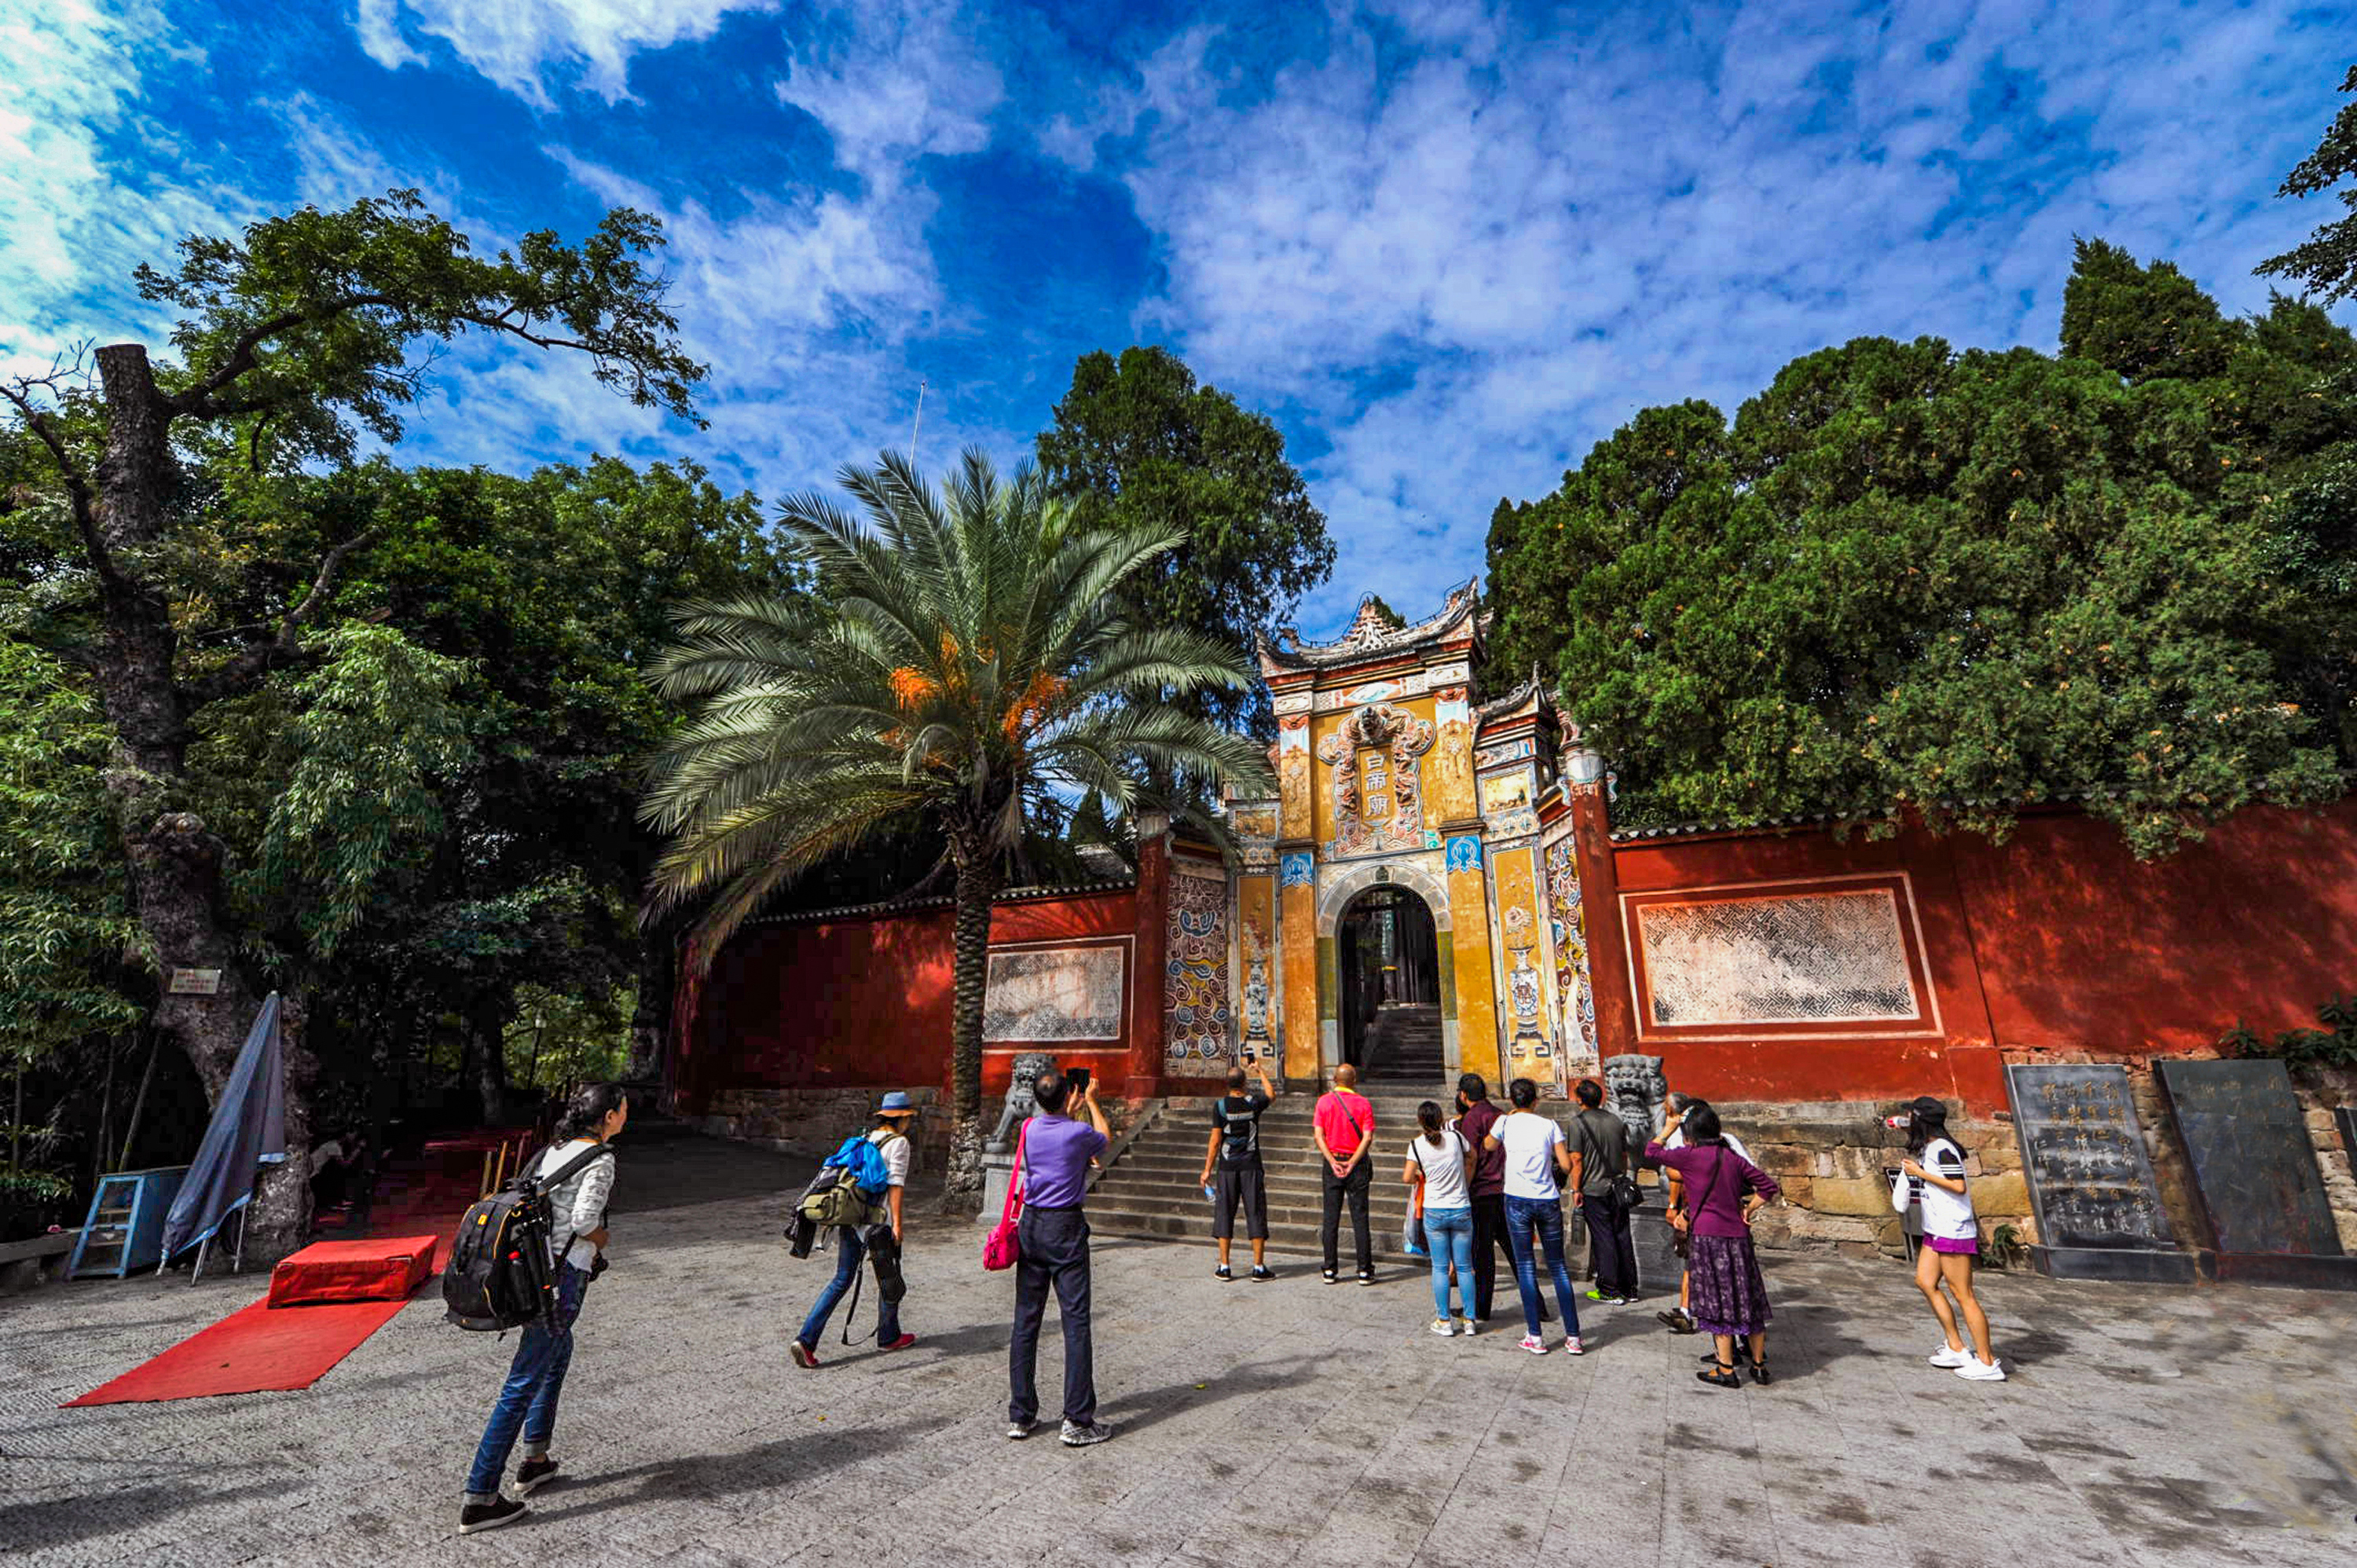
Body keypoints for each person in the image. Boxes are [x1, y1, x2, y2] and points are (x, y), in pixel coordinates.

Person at [459, 1083, 625, 1535]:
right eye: (623, 1108)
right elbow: (584, 1221)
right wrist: (603, 1240)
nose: (626, 1115)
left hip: (534, 1271)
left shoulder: (556, 1148)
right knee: (523, 1379)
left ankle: (535, 1458)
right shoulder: (601, 1158)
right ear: (609, 1116)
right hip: (563, 1276)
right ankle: (480, 1496)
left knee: (559, 1351)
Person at [1007, 1065, 1114, 1446]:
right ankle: (1078, 1419)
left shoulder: (1029, 1129)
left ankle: (1021, 1415)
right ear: (1068, 1093)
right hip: (1065, 1227)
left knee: (1026, 1322)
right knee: (1075, 1322)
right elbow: (1104, 1137)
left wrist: (1068, 1102)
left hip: (1031, 1227)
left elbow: (1057, 1128)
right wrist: (1092, 1101)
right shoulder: (1079, 1132)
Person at [1647, 1101, 1778, 1388]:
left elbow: (1651, 1152)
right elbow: (1768, 1187)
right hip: (1739, 1240)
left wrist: (1668, 1129)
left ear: (1690, 1133)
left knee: (1717, 1302)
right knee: (1748, 1300)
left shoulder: (1689, 1156)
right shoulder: (1733, 1159)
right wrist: (1748, 1210)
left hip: (1708, 1239)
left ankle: (1726, 1369)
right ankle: (1758, 1366)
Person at [790, 1090, 921, 1367]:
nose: (909, 1123)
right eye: (908, 1118)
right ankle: (888, 1337)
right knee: (889, 1278)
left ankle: (806, 1340)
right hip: (878, 1224)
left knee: (841, 1280)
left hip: (850, 1218)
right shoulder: (899, 1144)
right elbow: (895, 1186)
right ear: (902, 1119)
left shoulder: (866, 1137)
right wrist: (897, 1223)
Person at [1898, 1096, 2004, 1382]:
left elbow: (1958, 1185)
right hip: (1936, 1226)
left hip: (1953, 1228)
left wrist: (1920, 1173)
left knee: (1963, 1294)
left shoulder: (1944, 1150)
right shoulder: (1929, 1146)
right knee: (1925, 1281)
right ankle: (1956, 1346)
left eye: (1910, 1115)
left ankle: (1987, 1361)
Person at [1480, 1077, 1584, 1355]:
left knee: (1526, 1267)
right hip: (1547, 1199)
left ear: (1513, 1101)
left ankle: (1535, 1336)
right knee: (1558, 1267)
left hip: (1516, 1198)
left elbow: (1488, 1145)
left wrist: (1506, 1120)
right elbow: (1565, 1163)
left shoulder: (1505, 1122)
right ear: (1536, 1100)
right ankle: (1573, 1337)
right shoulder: (1549, 1125)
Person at [1655, 1093, 1755, 1335]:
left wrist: (1674, 1206)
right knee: (1711, 1270)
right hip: (1721, 1216)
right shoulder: (1728, 1143)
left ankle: (1729, 1340)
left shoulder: (1689, 1142)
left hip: (1703, 1217)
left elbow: (1672, 1173)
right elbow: (1757, 1180)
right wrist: (1748, 1208)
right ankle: (1689, 1313)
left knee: (1719, 1276)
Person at [1198, 1061, 1278, 1281]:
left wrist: (1207, 1170)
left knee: (1224, 1214)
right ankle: (1259, 1267)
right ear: (1244, 1083)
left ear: (1227, 1084)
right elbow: (1271, 1094)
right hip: (1251, 1166)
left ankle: (1224, 1266)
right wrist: (1260, 1071)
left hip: (1227, 1168)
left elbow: (1215, 1141)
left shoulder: (1221, 1106)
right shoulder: (1253, 1103)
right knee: (1256, 1213)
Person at [1402, 1101, 1476, 1335]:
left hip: (1434, 1210)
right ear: (1441, 1117)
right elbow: (1472, 1156)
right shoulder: (1455, 1138)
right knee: (1464, 1267)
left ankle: (1444, 1321)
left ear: (1420, 1121)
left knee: (1440, 1267)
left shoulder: (1416, 1145)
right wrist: (1464, 1178)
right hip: (1461, 1207)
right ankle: (1470, 1320)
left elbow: (1406, 1177)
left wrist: (1420, 1175)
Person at [1567, 1079, 1639, 1304]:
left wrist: (1575, 1189)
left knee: (1603, 1237)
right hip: (1617, 1185)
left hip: (1594, 1187)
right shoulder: (1616, 1121)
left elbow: (1576, 1160)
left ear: (1580, 1099)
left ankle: (1609, 1288)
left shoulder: (1577, 1124)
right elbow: (1625, 1154)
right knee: (1622, 1235)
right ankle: (1630, 1287)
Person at [1312, 1062, 1378, 1284]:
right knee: (1360, 1218)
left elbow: (1319, 1136)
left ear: (1334, 1079)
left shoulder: (1323, 1102)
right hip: (1356, 1165)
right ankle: (1364, 1271)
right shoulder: (1363, 1103)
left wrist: (1332, 1161)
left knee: (1330, 1218)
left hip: (1332, 1165)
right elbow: (1367, 1137)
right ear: (1355, 1081)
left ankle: (1330, 1269)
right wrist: (1352, 1161)